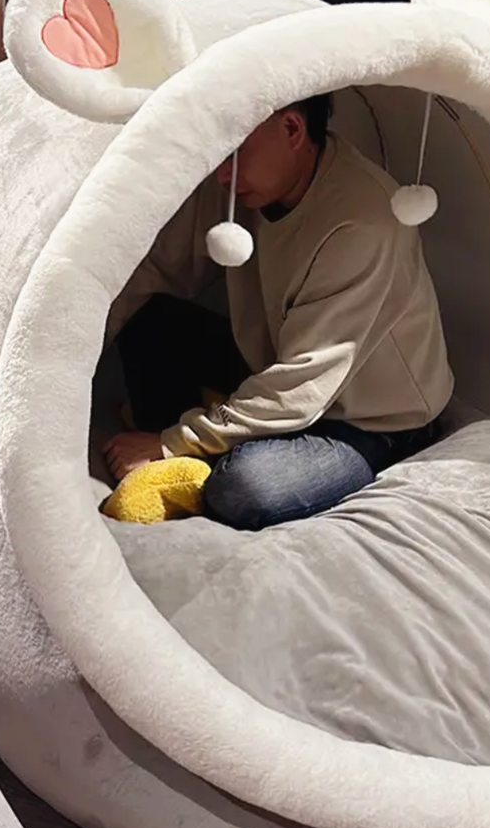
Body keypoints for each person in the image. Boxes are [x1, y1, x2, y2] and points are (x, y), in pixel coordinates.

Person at [103, 94, 454, 531]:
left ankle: (188, 454)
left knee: (246, 487)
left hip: (369, 420)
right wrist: (73, 358)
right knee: (149, 315)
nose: (222, 173)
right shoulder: (237, 185)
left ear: (292, 129)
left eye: (233, 154)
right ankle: (201, 440)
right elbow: (158, 268)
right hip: (274, 364)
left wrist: (170, 443)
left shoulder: (362, 221)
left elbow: (299, 387)